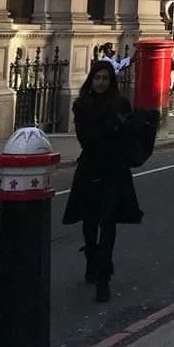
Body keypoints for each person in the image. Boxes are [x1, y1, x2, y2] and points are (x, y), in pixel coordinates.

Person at [62, 60, 141, 303]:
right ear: (91, 79)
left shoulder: (120, 104)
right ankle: (91, 258)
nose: (101, 82)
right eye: (97, 78)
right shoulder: (82, 105)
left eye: (105, 78)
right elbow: (86, 138)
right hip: (91, 167)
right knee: (89, 220)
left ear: (111, 81)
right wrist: (112, 131)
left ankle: (103, 275)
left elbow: (130, 134)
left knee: (108, 221)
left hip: (114, 169)